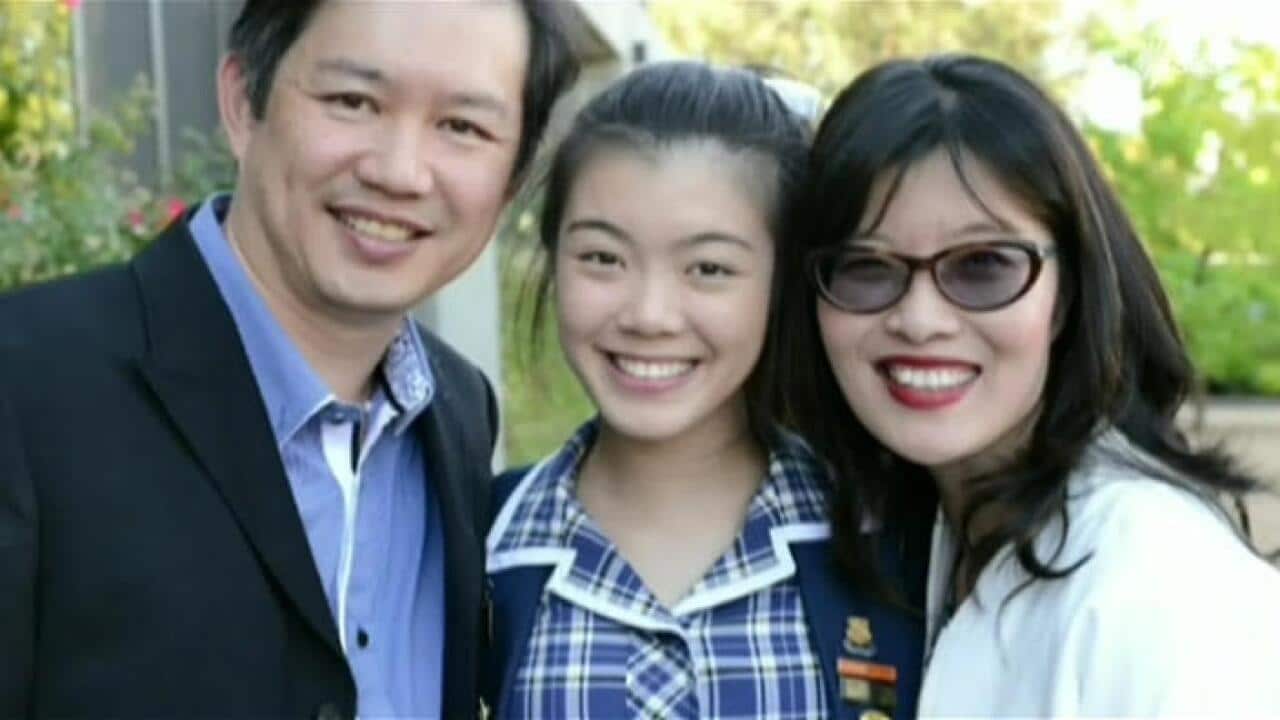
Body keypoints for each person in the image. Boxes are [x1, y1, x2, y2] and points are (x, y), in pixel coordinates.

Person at [0, 1, 577, 717]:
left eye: (462, 127)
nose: (400, 173)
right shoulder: (26, 386)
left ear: (511, 181)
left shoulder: (458, 413)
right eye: (354, 101)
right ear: (244, 101)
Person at [782, 53, 1280, 716]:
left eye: (983, 265)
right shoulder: (916, 542)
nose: (920, 320)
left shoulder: (1160, 587)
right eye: (866, 267)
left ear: (1069, 292)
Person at [484, 61, 930, 720]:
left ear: (783, 282)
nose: (650, 315)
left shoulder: (892, 541)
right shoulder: (475, 547)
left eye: (710, 268)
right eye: (603, 258)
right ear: (553, 255)